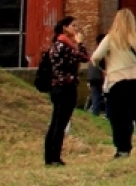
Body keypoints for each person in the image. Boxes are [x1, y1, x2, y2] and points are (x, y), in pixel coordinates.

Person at [90, 8, 136, 158]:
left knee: (119, 117)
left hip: (117, 81)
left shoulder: (110, 38)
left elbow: (95, 56)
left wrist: (105, 66)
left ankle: (123, 148)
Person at [43, 16, 89, 166]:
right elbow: (84, 57)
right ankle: (54, 157)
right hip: (65, 87)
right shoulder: (65, 45)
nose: (76, 29)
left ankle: (50, 156)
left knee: (56, 121)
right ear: (65, 27)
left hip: (57, 87)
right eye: (73, 26)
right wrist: (80, 43)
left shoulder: (56, 44)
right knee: (60, 122)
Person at [85, 34, 105, 116]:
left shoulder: (94, 51)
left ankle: (95, 113)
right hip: (99, 77)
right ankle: (97, 113)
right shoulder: (102, 52)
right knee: (99, 96)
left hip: (92, 77)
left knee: (95, 96)